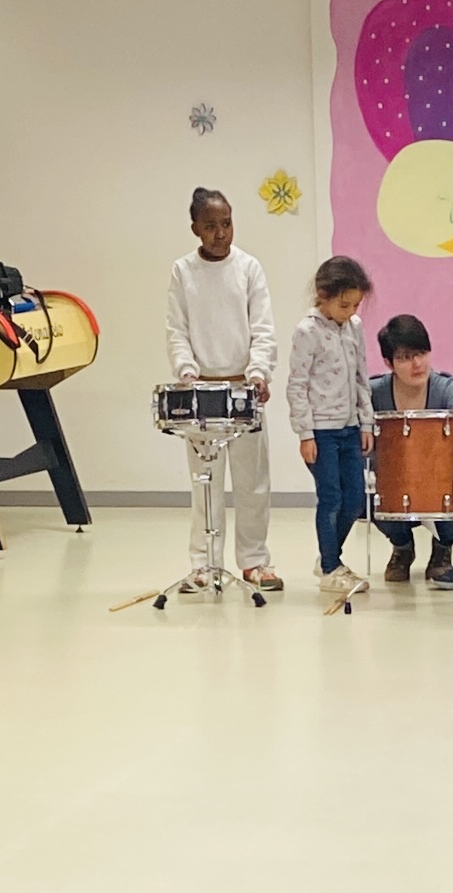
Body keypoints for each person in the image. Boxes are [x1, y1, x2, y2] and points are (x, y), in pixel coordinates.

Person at [163, 185, 280, 596]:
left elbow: (263, 329)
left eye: (226, 224)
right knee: (205, 483)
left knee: (253, 483)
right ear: (194, 227)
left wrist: (258, 372)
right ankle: (204, 566)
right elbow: (177, 330)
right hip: (201, 394)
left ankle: (254, 562)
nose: (220, 233)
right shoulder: (183, 271)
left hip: (244, 389)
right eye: (210, 226)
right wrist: (187, 371)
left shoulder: (249, 268)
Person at [281, 254, 382, 595]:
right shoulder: (307, 331)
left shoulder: (354, 328)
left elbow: (361, 377)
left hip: (350, 428)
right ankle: (330, 566)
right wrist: (304, 433)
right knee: (331, 497)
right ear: (323, 295)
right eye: (344, 304)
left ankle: (329, 556)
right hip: (321, 432)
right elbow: (297, 385)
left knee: (355, 498)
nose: (351, 311)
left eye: (355, 305)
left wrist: (366, 422)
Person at [363, 313, 453, 586]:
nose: (416, 364)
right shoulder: (372, 392)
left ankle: (443, 548)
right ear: (388, 363)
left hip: (437, 482)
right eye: (404, 357)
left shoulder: (446, 389)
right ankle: (402, 547)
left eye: (421, 353)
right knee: (360, 493)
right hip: (392, 484)